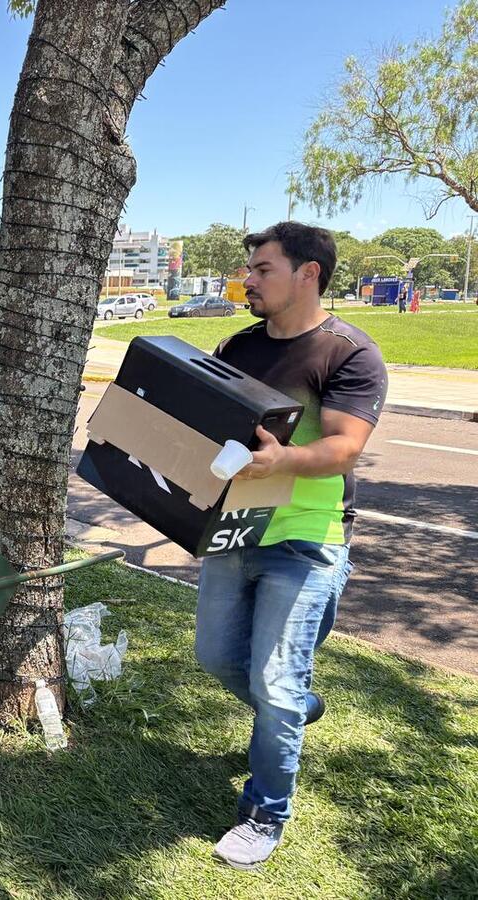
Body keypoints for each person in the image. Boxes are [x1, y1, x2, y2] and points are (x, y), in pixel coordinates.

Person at [196, 222, 387, 870]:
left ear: (309, 274)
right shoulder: (237, 345)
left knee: (273, 680)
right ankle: (299, 709)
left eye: (262, 269)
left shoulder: (348, 354)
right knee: (219, 659)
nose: (246, 279)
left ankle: (264, 814)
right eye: (248, 267)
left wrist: (280, 461)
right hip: (236, 530)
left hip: (306, 539)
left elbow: (344, 448)